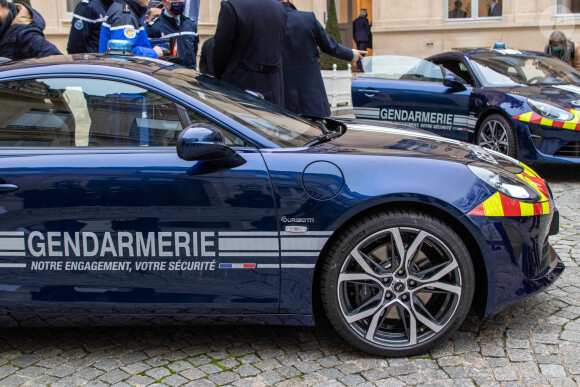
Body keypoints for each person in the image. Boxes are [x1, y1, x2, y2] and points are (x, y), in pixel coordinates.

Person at [279, 0, 364, 117]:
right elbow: (329, 46)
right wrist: (350, 53)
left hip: (282, 99)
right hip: (312, 97)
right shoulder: (308, 18)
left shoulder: (267, 23)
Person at [212, 0, 287, 106]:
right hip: (273, 87)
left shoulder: (231, 6)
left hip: (239, 87)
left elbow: (219, 52)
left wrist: (218, 80)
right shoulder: (279, 8)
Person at [99, 0, 163, 58]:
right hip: (124, 69)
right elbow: (122, 52)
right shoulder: (125, 15)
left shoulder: (122, 8)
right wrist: (153, 53)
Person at [146, 0, 199, 69]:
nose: (179, 1)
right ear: (165, 2)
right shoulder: (154, 27)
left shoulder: (190, 25)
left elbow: (194, 50)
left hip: (190, 74)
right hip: (169, 76)